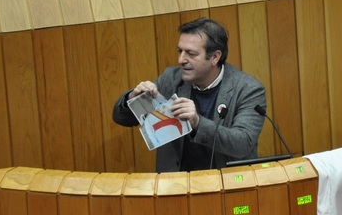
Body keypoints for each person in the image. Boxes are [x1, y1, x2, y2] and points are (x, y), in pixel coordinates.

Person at [112, 18, 266, 172]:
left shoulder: (248, 89)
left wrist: (197, 122)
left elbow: (243, 143)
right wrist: (133, 98)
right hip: (177, 185)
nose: (181, 60)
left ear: (215, 57)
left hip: (227, 184)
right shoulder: (171, 79)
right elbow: (122, 119)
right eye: (180, 51)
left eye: (190, 54)